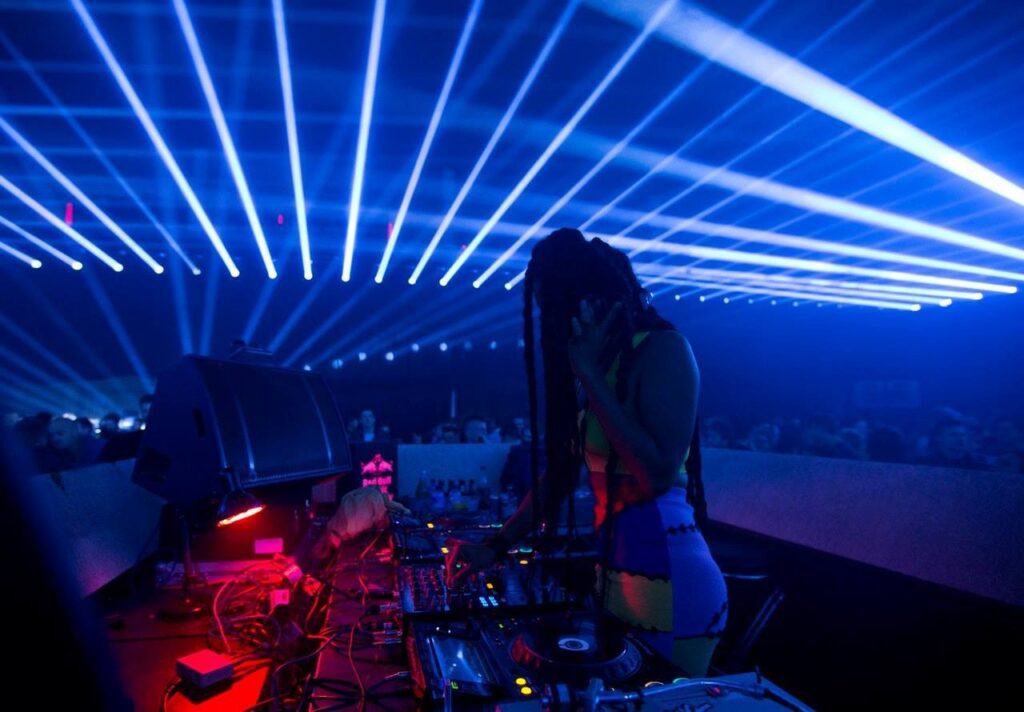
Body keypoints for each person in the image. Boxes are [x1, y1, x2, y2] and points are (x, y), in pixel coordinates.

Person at [446, 228, 727, 676]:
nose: (552, 324)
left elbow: (656, 475)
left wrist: (591, 375)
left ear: (592, 299)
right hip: (615, 582)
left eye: (557, 308)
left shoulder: (663, 349)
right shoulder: (599, 365)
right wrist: (495, 547)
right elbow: (560, 474)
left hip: (675, 584)